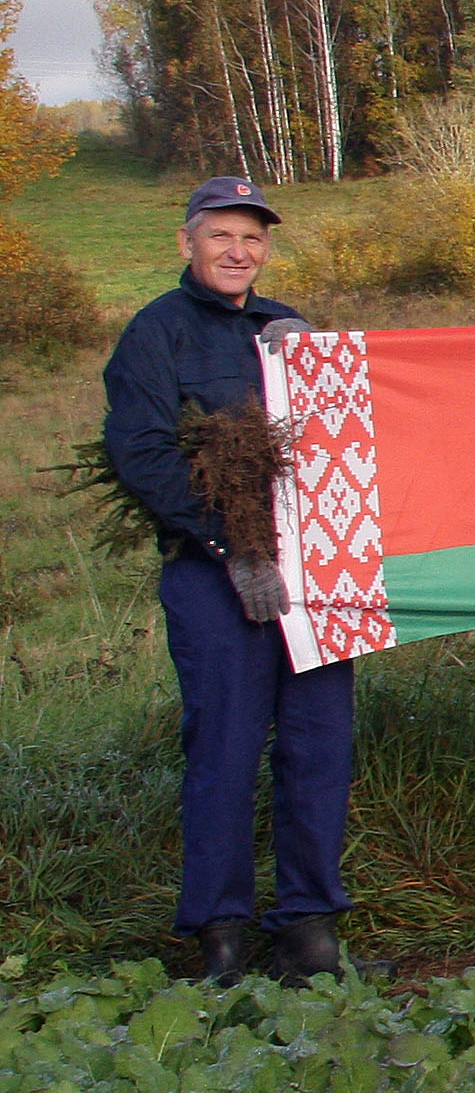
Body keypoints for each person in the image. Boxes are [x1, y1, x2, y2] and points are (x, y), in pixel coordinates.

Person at [105, 178, 354, 984]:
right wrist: (229, 544)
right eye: (221, 237)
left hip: (313, 575)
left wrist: (320, 364)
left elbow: (340, 443)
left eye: (251, 239)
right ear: (187, 243)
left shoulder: (285, 329)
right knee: (224, 747)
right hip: (216, 578)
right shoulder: (156, 335)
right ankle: (220, 936)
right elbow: (141, 452)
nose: (237, 252)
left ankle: (309, 930)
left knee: (320, 746)